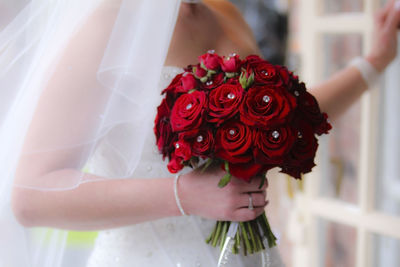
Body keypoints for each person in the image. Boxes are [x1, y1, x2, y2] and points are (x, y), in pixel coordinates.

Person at [1, 0, 399, 266]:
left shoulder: (223, 10)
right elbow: (31, 196)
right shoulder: (110, 21)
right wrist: (183, 195)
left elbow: (290, 117)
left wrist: (375, 61)